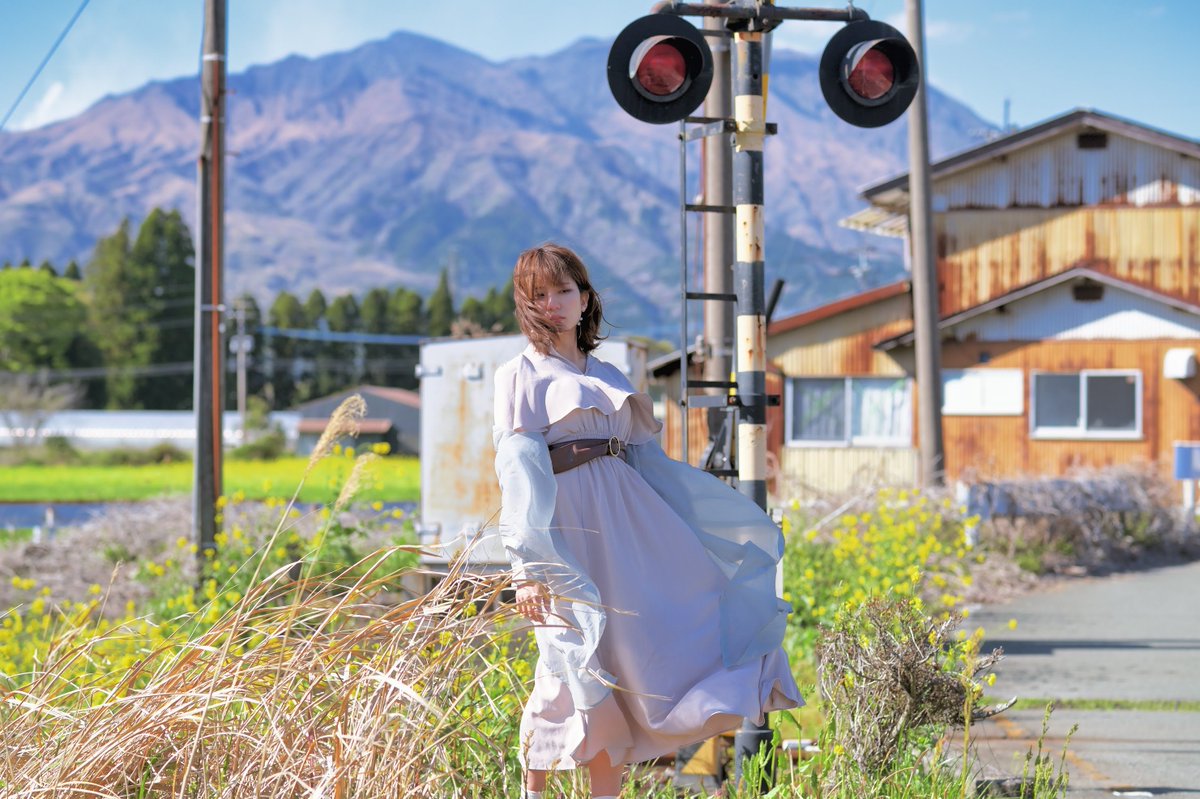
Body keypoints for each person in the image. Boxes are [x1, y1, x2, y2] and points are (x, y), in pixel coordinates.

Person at [492, 243, 801, 799]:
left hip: (631, 530)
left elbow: (648, 466)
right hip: (567, 533)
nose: (554, 304)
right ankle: (533, 792)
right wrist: (528, 568)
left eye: (565, 290)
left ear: (586, 299)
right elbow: (518, 474)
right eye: (540, 294)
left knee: (631, 653)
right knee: (566, 656)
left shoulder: (609, 371)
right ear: (526, 303)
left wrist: (695, 537)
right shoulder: (518, 374)